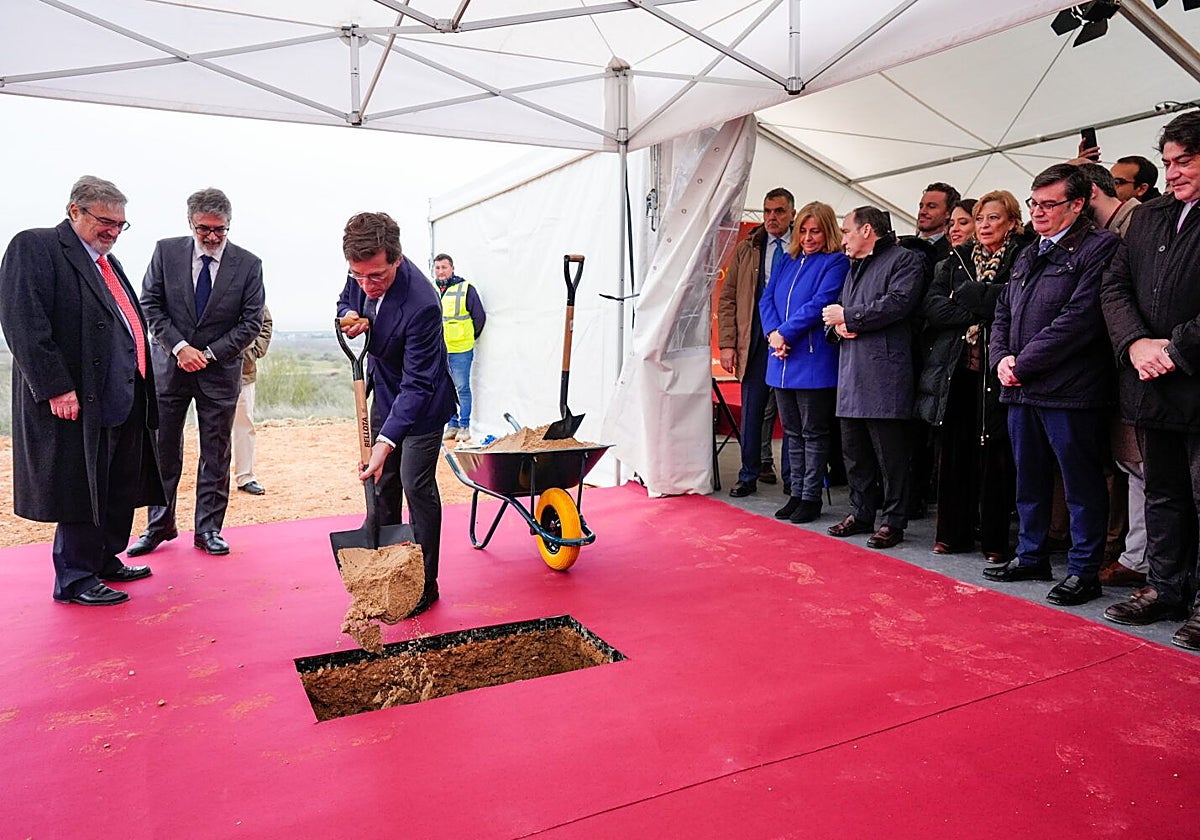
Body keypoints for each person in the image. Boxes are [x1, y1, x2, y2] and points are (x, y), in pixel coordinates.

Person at [0, 176, 164, 605]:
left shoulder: (108, 261)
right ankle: (74, 578)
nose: (112, 231)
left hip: (122, 395)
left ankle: (105, 559)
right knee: (81, 488)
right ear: (74, 210)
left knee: (116, 484)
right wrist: (56, 388)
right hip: (77, 399)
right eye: (104, 221)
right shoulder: (35, 246)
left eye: (120, 224)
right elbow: (24, 324)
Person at [984, 164, 1120, 607]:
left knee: (1080, 482)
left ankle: (1083, 570)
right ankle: (1031, 554)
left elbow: (1080, 321)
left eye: (1049, 204)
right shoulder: (1028, 252)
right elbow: (1003, 310)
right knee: (1030, 477)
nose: (1038, 212)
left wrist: (1023, 362)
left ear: (1077, 204)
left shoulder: (1100, 248)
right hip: (1021, 387)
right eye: (1034, 203)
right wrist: (1000, 357)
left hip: (1070, 388)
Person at [1100, 111, 1200, 650]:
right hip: (1149, 380)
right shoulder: (1150, 215)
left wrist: (1175, 348)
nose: (1174, 172)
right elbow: (1113, 286)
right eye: (1168, 163)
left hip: (1192, 376)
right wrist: (1135, 343)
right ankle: (1165, 588)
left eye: (1185, 161)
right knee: (1162, 492)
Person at [129, 188, 265, 558]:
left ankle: (208, 530)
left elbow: (251, 321)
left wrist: (206, 353)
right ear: (189, 222)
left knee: (216, 454)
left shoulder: (249, 264)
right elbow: (150, 304)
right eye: (204, 229)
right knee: (163, 451)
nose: (212, 237)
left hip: (219, 373)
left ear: (229, 225)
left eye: (220, 230)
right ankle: (158, 526)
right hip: (169, 369)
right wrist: (179, 348)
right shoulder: (165, 251)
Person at [336, 212, 456, 618]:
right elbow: (346, 301)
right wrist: (351, 317)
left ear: (398, 260)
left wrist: (386, 442)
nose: (367, 286)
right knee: (381, 481)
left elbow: (418, 384)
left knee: (413, 483)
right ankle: (383, 568)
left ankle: (426, 584)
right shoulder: (361, 272)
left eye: (377, 277)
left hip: (424, 404)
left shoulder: (422, 302)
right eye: (359, 276)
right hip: (385, 393)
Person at [917, 190, 1031, 563]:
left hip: (998, 371)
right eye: (979, 219)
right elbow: (933, 308)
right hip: (957, 369)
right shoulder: (954, 260)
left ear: (1012, 222)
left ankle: (996, 540)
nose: (984, 226)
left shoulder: (1021, 257)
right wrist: (979, 307)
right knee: (954, 453)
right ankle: (952, 534)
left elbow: (1013, 302)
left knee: (997, 456)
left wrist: (973, 298)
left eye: (993, 218)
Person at [821, 206, 924, 549]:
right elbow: (835, 314)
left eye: (847, 230)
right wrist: (838, 327)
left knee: (891, 456)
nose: (843, 238)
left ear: (867, 230)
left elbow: (898, 303)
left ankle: (894, 520)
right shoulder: (854, 267)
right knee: (855, 452)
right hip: (851, 374)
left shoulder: (904, 260)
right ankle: (861, 512)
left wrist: (849, 317)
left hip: (884, 374)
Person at [760, 201, 850, 524]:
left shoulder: (836, 262)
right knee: (792, 432)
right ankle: (795, 492)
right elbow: (766, 298)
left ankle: (811, 496)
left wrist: (784, 334)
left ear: (828, 232)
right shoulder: (786, 260)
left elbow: (819, 304)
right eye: (804, 231)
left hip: (811, 359)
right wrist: (773, 335)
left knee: (814, 432)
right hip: (780, 357)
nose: (809, 237)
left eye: (816, 231)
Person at [718, 187, 795, 497]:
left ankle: (794, 479)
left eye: (778, 211)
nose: (771, 217)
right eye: (767, 211)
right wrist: (727, 344)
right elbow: (727, 298)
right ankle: (748, 473)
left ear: (792, 212)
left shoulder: (803, 246)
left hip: (793, 340)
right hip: (754, 341)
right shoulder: (749, 247)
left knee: (792, 415)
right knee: (752, 412)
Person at [432, 253, 485, 443]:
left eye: (444, 267)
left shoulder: (465, 289)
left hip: (461, 348)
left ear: (452, 268)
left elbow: (479, 317)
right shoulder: (432, 290)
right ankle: (452, 424)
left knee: (462, 388)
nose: (440, 271)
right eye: (437, 268)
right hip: (440, 350)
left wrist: (469, 336)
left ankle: (464, 426)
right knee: (446, 388)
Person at [232, 305, 273, 496]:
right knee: (209, 427)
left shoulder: (247, 284)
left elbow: (265, 321)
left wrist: (256, 350)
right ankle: (213, 480)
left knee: (244, 424)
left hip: (243, 370)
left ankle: (246, 477)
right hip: (208, 370)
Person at [915, 182, 962, 263]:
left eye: (931, 207)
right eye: (921, 206)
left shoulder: (952, 255)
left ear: (948, 213)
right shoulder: (900, 243)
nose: (922, 212)